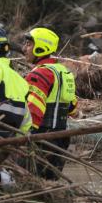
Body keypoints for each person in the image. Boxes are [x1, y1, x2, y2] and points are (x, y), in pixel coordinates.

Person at [22, 27, 77, 179]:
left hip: (41, 140)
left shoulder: (39, 73)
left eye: (28, 44)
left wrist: (23, 136)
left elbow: (34, 110)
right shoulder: (64, 72)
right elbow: (72, 108)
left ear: (40, 47)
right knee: (51, 184)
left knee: (33, 184)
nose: (24, 48)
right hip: (61, 138)